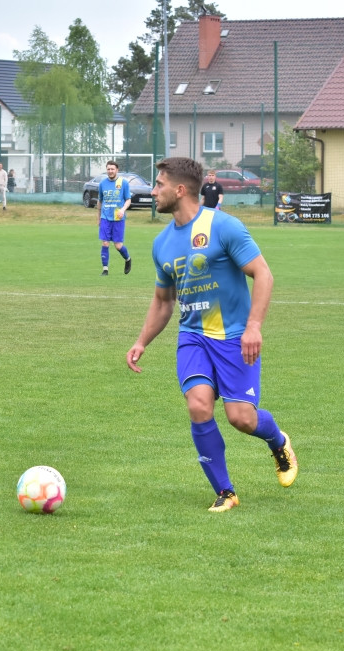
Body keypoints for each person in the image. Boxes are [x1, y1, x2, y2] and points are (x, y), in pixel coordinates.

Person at [125, 157, 297, 513]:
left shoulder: (224, 227)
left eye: (159, 184)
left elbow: (263, 275)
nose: (153, 191)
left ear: (180, 189)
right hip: (193, 338)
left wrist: (253, 327)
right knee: (198, 405)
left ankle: (278, 440)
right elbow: (163, 301)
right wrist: (142, 341)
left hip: (235, 337)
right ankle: (225, 491)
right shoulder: (161, 243)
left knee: (241, 419)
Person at [97, 160, 132, 276]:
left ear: (117, 170)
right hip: (105, 217)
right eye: (108, 169)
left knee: (118, 246)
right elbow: (100, 201)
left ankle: (127, 259)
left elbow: (128, 199)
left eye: (112, 169)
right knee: (105, 243)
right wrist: (98, 218)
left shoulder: (124, 183)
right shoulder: (102, 184)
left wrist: (122, 210)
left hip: (118, 218)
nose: (110, 171)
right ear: (106, 170)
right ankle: (105, 269)